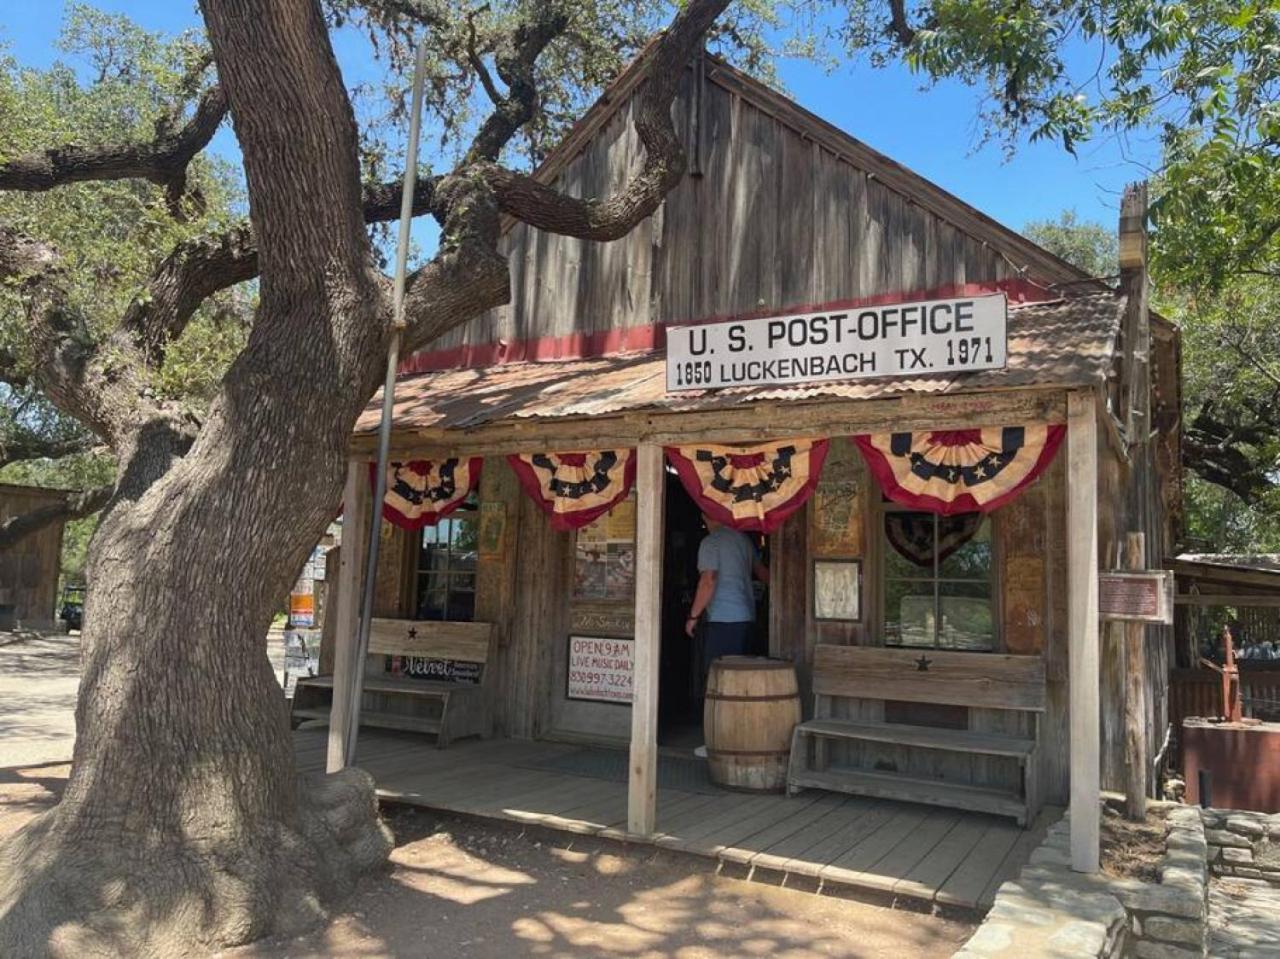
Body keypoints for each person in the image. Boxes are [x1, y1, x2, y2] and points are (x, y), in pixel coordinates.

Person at [686, 514, 769, 757]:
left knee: (719, 682)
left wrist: (693, 616)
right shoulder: (742, 539)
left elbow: (708, 580)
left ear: (706, 517)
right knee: (740, 683)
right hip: (746, 617)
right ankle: (741, 737)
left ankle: (719, 742)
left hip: (723, 620)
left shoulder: (711, 543)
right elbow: (763, 573)